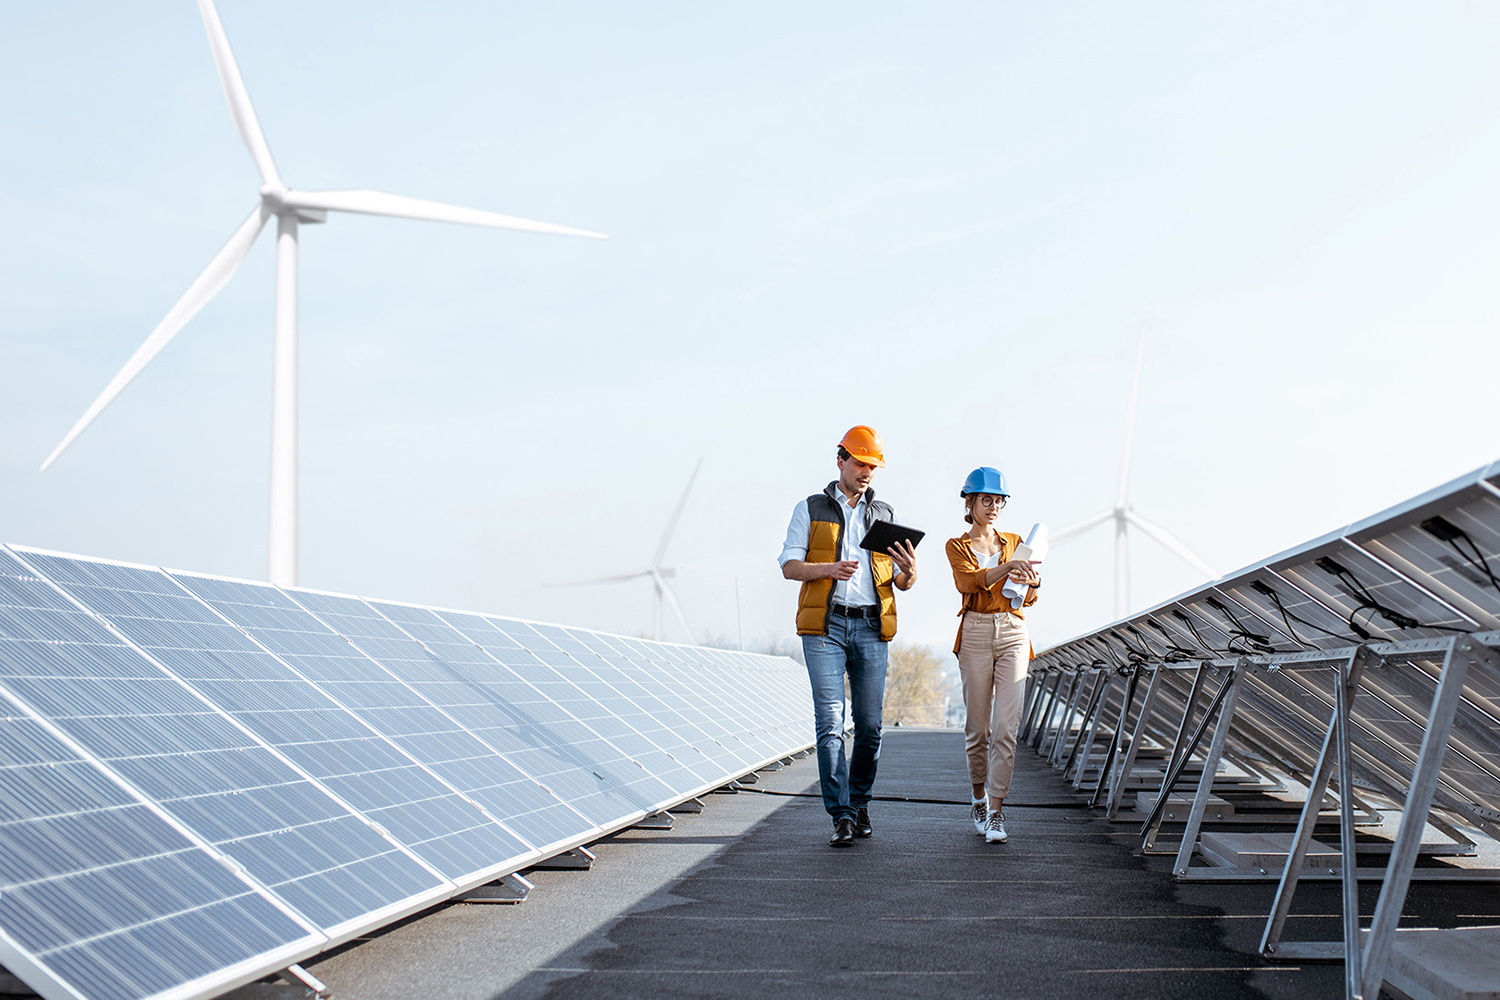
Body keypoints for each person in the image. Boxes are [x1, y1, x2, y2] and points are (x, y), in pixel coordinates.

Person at [778, 425, 918, 848]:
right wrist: (828, 570)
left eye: (873, 466)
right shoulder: (810, 508)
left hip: (873, 626)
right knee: (831, 723)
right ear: (840, 460)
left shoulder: (885, 514)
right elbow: (788, 565)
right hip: (826, 626)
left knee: (871, 726)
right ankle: (839, 814)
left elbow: (898, 580)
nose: (867, 472)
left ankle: (859, 804)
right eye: (860, 463)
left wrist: (910, 573)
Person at [945, 467, 1040, 844]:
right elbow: (967, 583)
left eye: (999, 500)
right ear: (970, 502)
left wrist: (1031, 583)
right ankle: (978, 797)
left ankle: (997, 812)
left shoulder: (1015, 541)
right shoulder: (957, 545)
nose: (994, 506)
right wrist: (1007, 567)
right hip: (976, 631)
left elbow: (1028, 597)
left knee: (1007, 727)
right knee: (978, 729)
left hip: (1013, 630)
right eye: (987, 499)